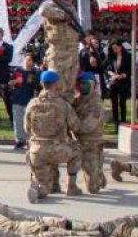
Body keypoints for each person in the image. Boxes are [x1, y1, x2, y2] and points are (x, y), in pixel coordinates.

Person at [25, 70, 81, 203]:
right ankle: (71, 186)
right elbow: (76, 126)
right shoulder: (62, 105)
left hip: (37, 152)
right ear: (56, 84)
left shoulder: (32, 104)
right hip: (58, 150)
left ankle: (39, 189)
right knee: (77, 151)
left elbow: (26, 128)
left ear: (41, 84)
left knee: (44, 185)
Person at [41, 0, 83, 99]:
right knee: (57, 82)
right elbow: (43, 10)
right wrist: (63, 15)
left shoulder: (70, 7)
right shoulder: (52, 5)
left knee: (70, 82)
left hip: (72, 50)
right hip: (59, 51)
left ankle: (67, 109)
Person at [72, 71, 106, 194]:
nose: (81, 86)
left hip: (92, 144)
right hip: (78, 142)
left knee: (93, 189)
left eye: (84, 83)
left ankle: (97, 173)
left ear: (92, 85)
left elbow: (88, 126)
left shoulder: (96, 103)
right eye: (79, 83)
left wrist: (73, 125)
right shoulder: (77, 100)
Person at [9, 54, 40, 150]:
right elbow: (9, 83)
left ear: (33, 62)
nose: (27, 62)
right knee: (17, 123)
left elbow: (37, 86)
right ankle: (19, 141)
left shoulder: (35, 73)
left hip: (29, 101)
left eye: (29, 60)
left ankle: (29, 140)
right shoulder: (18, 71)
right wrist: (15, 81)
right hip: (17, 100)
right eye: (26, 60)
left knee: (28, 123)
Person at [105, 41, 133, 126]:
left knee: (122, 103)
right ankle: (116, 124)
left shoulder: (128, 56)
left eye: (116, 48)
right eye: (113, 48)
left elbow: (129, 69)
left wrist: (123, 76)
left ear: (120, 47)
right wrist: (112, 74)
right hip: (113, 82)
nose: (114, 50)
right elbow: (105, 68)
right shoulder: (111, 56)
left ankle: (123, 123)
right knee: (114, 104)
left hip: (124, 82)